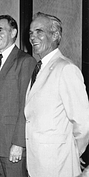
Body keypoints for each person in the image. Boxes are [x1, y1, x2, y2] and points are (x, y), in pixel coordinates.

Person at [25, 12, 89, 177]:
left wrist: (72, 151)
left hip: (58, 162)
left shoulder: (66, 69)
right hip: (36, 160)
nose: (33, 37)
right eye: (31, 32)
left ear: (55, 35)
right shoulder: (39, 68)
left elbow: (83, 122)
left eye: (39, 31)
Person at [0, 15, 37, 177]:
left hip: (12, 144)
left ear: (14, 32)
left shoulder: (25, 61)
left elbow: (26, 105)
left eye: (1, 30)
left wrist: (19, 143)